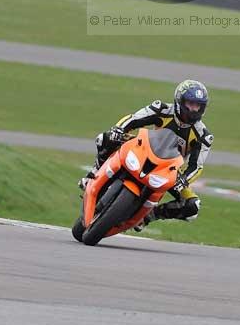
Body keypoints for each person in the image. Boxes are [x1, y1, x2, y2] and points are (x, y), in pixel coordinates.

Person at [80, 80, 213, 228]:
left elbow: (196, 166)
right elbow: (133, 119)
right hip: (142, 150)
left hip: (169, 171)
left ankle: (149, 216)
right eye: (190, 104)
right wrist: (118, 129)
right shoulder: (161, 109)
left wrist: (183, 180)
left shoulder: (203, 136)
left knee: (193, 206)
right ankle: (93, 173)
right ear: (179, 101)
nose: (194, 109)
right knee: (105, 138)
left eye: (198, 106)